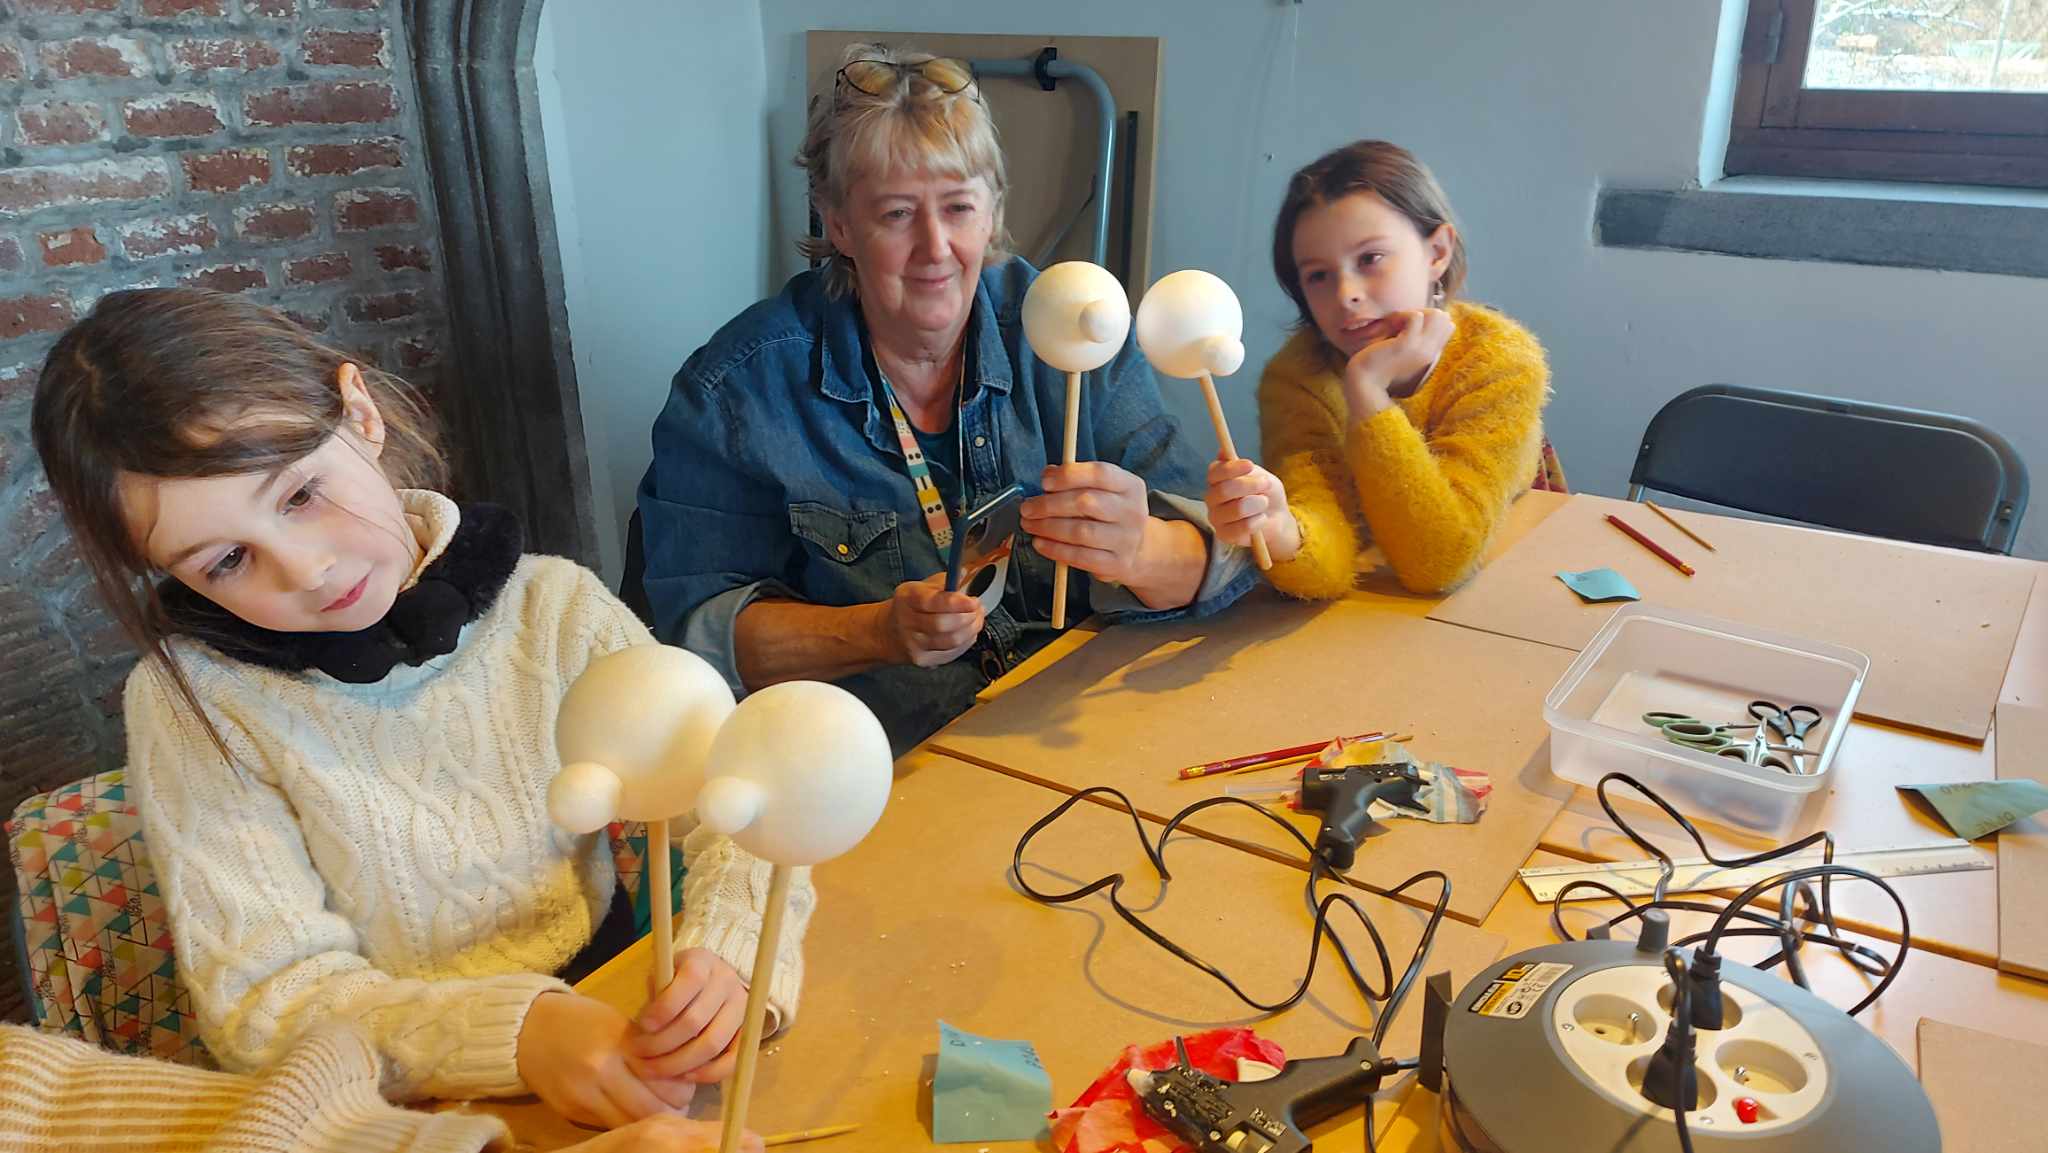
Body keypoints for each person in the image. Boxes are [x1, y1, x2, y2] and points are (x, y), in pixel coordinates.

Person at [30, 287, 800, 1140]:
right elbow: (265, 999)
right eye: (227, 560)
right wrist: (517, 1031)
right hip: (399, 1102)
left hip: (624, 1018)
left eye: (299, 495)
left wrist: (730, 950)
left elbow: (745, 796)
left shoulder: (553, 607)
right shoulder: (195, 704)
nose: (307, 571)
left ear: (359, 412)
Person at [637, 43, 1251, 751]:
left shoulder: (1070, 329)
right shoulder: (736, 393)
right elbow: (697, 639)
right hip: (885, 770)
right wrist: (873, 631)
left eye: (958, 207)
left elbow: (1224, 556)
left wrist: (1143, 549)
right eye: (897, 214)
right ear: (838, 224)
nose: (935, 247)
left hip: (1083, 736)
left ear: (992, 212)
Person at [1203, 140, 1559, 597]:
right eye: (1318, 275)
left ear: (1437, 253)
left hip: (1517, 584)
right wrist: (1280, 529)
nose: (1346, 293)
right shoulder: (1297, 378)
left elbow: (1440, 562)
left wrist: (1368, 392)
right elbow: (1326, 566)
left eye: (1370, 259)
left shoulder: (1498, 360)